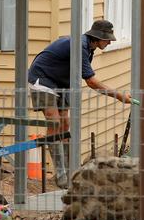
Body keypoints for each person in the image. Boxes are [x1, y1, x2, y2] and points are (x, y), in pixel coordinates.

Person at [28, 19, 132, 188]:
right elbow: (90, 81)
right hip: (43, 77)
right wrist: (119, 95)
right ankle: (61, 176)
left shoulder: (90, 48)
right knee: (54, 121)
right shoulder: (80, 46)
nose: (109, 42)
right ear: (97, 38)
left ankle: (71, 173)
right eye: (107, 39)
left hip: (62, 82)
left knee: (65, 123)